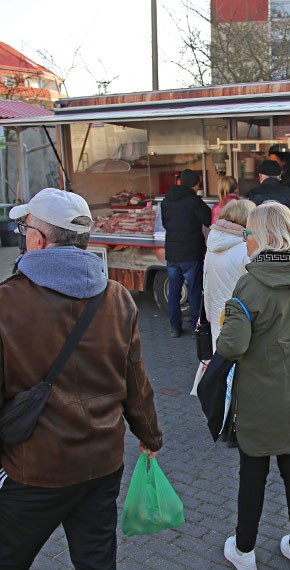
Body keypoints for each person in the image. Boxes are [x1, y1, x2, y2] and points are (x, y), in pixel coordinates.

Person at [0, 188, 162, 569]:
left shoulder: (7, 303)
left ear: (38, 239)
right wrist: (150, 435)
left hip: (34, 467)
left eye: (25, 228)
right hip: (101, 462)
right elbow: (134, 382)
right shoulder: (118, 297)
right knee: (97, 560)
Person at [216, 201, 290, 570]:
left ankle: (244, 550)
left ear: (263, 236)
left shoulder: (250, 282)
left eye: (248, 233)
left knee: (253, 473)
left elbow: (231, 346)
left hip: (257, 396)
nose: (245, 241)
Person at [161, 168, 212, 337]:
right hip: (191, 253)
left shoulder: (167, 200)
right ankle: (196, 328)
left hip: (172, 253)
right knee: (195, 291)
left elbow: (165, 224)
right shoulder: (194, 201)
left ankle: (175, 327)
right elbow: (207, 218)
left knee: (174, 292)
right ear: (196, 184)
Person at [204, 199, 256, 346]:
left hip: (216, 315)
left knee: (221, 361)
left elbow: (206, 284)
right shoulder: (246, 250)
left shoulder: (212, 245)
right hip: (240, 321)